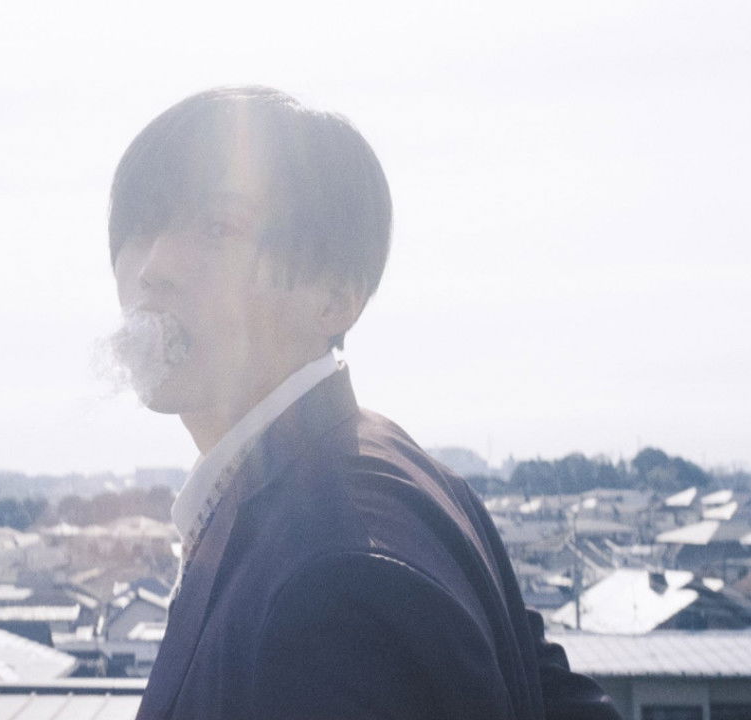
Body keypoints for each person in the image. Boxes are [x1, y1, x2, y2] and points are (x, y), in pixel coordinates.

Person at [105, 86, 619, 720]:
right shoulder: (406, 474)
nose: (154, 267)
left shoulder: (332, 578)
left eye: (218, 229)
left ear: (337, 298)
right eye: (144, 226)